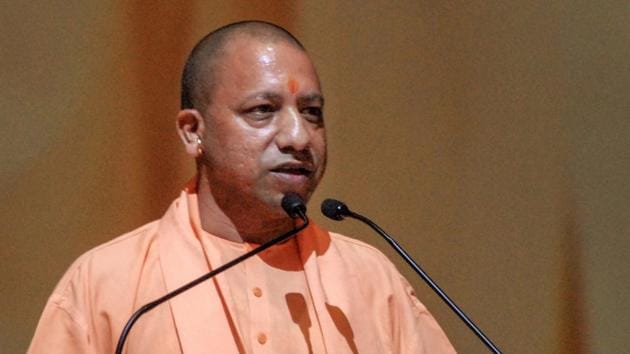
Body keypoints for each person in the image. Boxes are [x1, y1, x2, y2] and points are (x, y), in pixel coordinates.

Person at [28, 21, 455, 353]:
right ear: (193, 131)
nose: (298, 137)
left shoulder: (371, 280)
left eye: (312, 112)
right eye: (263, 110)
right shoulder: (107, 283)